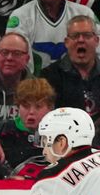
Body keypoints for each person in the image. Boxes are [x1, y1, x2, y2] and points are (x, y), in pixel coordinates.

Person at [6, 0, 99, 74]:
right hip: (36, 87)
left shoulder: (85, 13)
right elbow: (18, 63)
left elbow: (98, 54)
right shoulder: (21, 16)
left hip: (78, 86)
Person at [42, 15, 100, 143]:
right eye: (75, 36)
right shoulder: (48, 76)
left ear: (96, 40)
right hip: (67, 146)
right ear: (66, 42)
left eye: (87, 35)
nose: (81, 40)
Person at [0, 77, 56, 179]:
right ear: (18, 106)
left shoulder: (60, 134)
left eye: (38, 106)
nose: (31, 111)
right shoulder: (3, 129)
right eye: (26, 106)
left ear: (50, 108)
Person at [0, 33, 32, 125]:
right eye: (4, 52)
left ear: (27, 59)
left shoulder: (36, 91)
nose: (9, 58)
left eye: (17, 53)